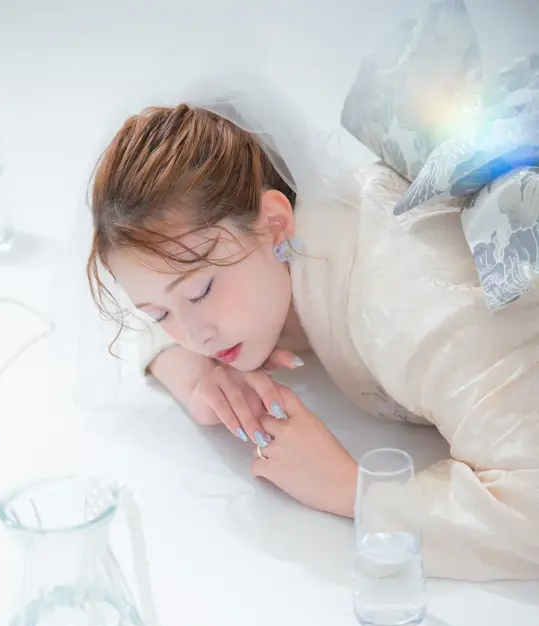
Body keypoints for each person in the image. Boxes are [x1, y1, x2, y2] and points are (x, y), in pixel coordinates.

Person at [85, 102, 539, 582]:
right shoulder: (276, 253)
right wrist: (196, 378)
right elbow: (152, 297)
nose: (195, 336)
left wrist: (351, 488)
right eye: (159, 314)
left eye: (201, 292)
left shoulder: (406, 312)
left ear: (275, 223)